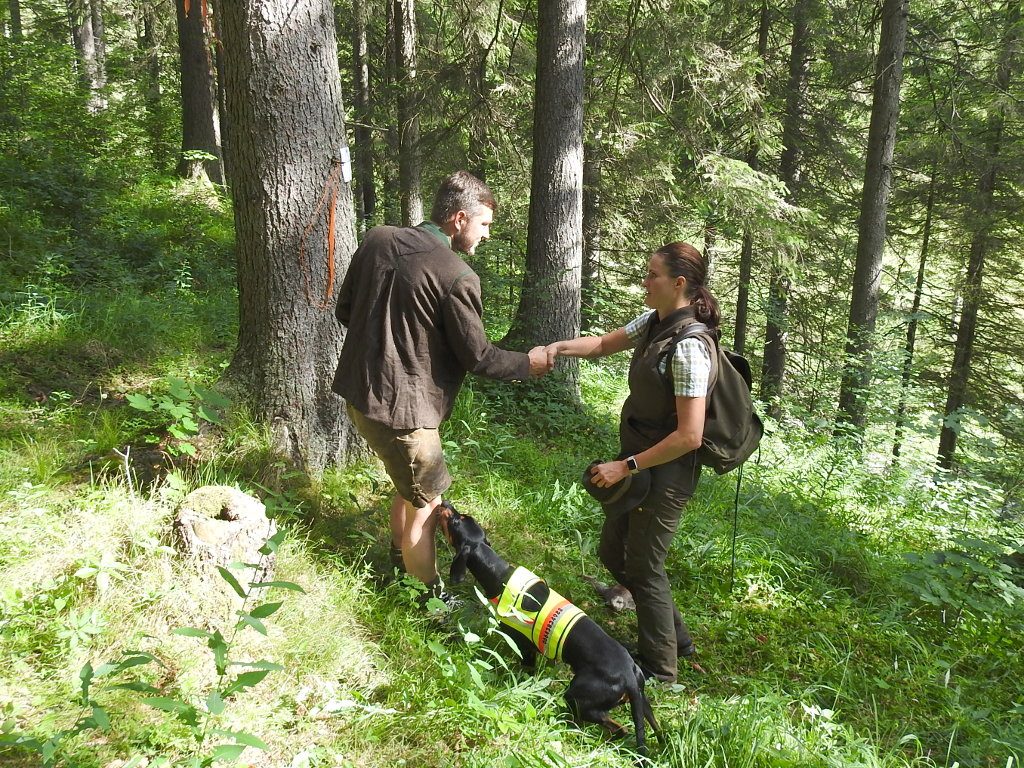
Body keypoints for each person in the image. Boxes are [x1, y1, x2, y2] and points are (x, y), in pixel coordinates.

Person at [332, 171, 551, 604]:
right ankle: (427, 600)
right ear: (457, 218)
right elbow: (480, 357)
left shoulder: (377, 239)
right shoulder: (456, 274)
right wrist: (530, 363)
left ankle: (399, 560)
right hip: (404, 415)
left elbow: (345, 310)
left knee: (409, 486)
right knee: (428, 505)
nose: (486, 235)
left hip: (359, 395)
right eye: (484, 224)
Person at [545, 241, 717, 682]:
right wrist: (557, 347)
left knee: (644, 566)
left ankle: (661, 671)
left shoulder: (689, 347)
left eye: (653, 274)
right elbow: (603, 344)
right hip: (641, 464)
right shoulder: (656, 323)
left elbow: (690, 435)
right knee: (612, 551)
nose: (645, 281)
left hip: (667, 472)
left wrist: (627, 466)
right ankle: (676, 639)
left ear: (678, 283)